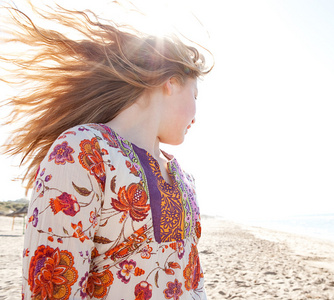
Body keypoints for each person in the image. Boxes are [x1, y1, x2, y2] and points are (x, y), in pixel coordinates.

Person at [0, 3, 212, 299]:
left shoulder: (183, 178)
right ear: (171, 82)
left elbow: (194, 280)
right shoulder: (82, 151)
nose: (197, 114)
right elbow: (49, 290)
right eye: (196, 95)